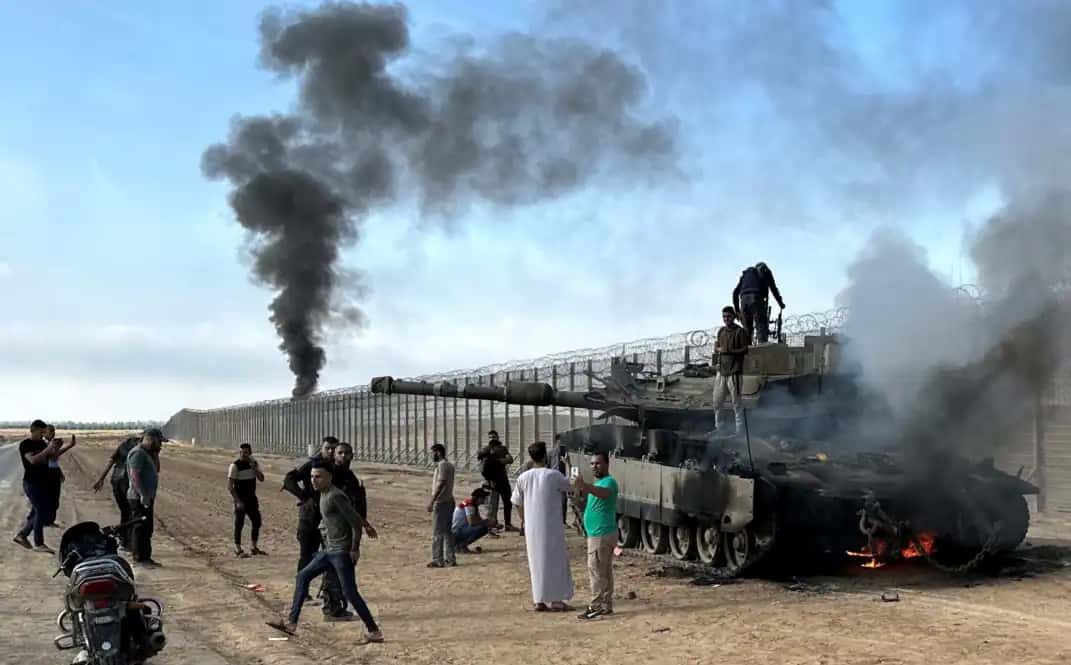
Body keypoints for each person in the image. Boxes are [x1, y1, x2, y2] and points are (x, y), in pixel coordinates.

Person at [268, 461, 383, 643]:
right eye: (312, 477)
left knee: (350, 593)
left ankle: (373, 631)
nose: (314, 480)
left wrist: (354, 548)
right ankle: (291, 623)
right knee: (302, 576)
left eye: (318, 476)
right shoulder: (323, 494)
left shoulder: (336, 496)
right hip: (329, 551)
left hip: (341, 553)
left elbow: (354, 522)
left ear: (329, 477)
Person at [282, 437, 347, 619]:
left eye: (334, 449)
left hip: (328, 523)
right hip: (309, 519)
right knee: (307, 555)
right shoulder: (312, 466)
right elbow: (288, 480)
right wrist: (304, 497)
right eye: (328, 448)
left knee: (331, 558)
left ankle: (331, 597)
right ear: (322, 449)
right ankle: (302, 593)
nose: (331, 452)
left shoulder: (336, 471)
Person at [511, 443, 574, 612]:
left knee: (536, 562)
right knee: (555, 562)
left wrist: (525, 520)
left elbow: (516, 502)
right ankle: (556, 601)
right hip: (552, 527)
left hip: (532, 527)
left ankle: (538, 599)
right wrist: (569, 465)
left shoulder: (523, 477)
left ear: (531, 457)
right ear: (545, 456)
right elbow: (572, 485)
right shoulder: (553, 475)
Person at [320, 441, 365, 620]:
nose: (344, 456)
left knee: (341, 568)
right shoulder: (330, 475)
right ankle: (332, 608)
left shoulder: (350, 477)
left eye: (347, 453)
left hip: (346, 530)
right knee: (334, 569)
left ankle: (336, 604)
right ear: (334, 455)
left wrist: (364, 524)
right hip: (334, 531)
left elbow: (357, 504)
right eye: (340, 453)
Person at [573, 452, 619, 619]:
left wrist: (585, 486)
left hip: (601, 535)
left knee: (597, 572)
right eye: (592, 464)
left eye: (598, 463)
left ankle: (596, 606)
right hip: (599, 533)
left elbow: (602, 493)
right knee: (604, 571)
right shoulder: (598, 482)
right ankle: (606, 604)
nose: (594, 467)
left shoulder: (609, 482)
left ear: (607, 464)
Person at [92, 434, 147, 550]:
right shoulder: (140, 450)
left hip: (116, 480)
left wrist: (101, 478)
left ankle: (124, 541)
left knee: (125, 512)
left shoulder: (124, 445)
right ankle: (130, 542)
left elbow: (111, 461)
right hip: (126, 482)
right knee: (132, 512)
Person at [13, 420, 61, 552]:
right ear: (33, 430)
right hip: (31, 483)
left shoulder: (42, 443)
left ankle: (22, 535)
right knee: (40, 510)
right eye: (41, 432)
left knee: (37, 510)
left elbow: (52, 458)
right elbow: (33, 460)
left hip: (43, 483)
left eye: (44, 432)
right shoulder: (25, 444)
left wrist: (55, 447)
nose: (43, 435)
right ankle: (39, 543)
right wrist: (47, 448)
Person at [127, 428, 165, 567]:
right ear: (151, 438)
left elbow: (157, 469)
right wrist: (142, 494)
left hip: (146, 497)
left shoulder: (147, 454)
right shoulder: (138, 453)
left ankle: (145, 557)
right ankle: (139, 558)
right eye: (159, 441)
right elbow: (134, 475)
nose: (161, 445)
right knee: (140, 527)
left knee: (147, 528)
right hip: (138, 498)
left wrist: (156, 453)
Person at [712, 306, 749, 435]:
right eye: (724, 317)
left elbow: (745, 349)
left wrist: (730, 350)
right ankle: (719, 428)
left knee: (736, 403)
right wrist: (718, 349)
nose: (726, 319)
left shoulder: (740, 332)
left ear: (733, 317)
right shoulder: (721, 331)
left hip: (734, 372)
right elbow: (716, 346)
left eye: (728, 316)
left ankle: (739, 431)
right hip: (722, 371)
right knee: (717, 402)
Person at [733, 262, 785, 344]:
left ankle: (747, 353)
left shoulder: (746, 274)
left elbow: (735, 293)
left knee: (747, 332)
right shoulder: (765, 271)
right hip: (756, 299)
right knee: (761, 327)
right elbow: (773, 288)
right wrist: (781, 303)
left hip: (743, 302)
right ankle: (762, 351)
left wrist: (737, 311)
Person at [229, 443, 266, 557]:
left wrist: (254, 468)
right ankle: (238, 548)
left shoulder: (254, 463)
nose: (243, 454)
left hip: (251, 498)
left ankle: (253, 547)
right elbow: (230, 486)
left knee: (257, 522)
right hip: (240, 498)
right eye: (241, 452)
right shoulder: (235, 466)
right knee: (239, 523)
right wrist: (238, 501)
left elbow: (261, 479)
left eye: (245, 452)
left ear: (250, 453)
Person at [479, 431, 515, 532]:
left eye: (493, 437)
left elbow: (510, 459)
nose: (492, 439)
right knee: (493, 505)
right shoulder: (496, 449)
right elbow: (509, 459)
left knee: (505, 503)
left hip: (498, 480)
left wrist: (496, 461)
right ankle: (495, 525)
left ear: (497, 437)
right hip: (495, 480)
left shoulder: (500, 448)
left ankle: (505, 524)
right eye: (490, 437)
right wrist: (500, 461)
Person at [427, 443, 456, 568]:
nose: (431, 455)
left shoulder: (443, 465)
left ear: (438, 452)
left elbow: (441, 483)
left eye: (432, 453)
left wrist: (432, 501)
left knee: (438, 532)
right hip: (448, 500)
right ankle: (450, 558)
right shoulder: (449, 465)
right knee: (447, 531)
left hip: (442, 502)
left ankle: (438, 559)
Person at [42, 425, 76, 528]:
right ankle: (43, 521)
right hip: (47, 475)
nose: (53, 433)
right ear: (44, 433)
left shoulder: (50, 445)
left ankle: (48, 521)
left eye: (53, 431)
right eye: (51, 431)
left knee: (54, 500)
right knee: (48, 500)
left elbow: (55, 459)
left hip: (53, 474)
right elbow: (52, 458)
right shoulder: (43, 445)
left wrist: (70, 445)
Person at [452, 487, 492, 553]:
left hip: (457, 531)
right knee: (483, 528)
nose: (485, 499)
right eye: (484, 498)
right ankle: (461, 546)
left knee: (484, 527)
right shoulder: (469, 505)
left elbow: (479, 520)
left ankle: (460, 545)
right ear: (479, 498)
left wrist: (492, 525)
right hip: (456, 532)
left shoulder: (473, 505)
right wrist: (486, 522)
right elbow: (472, 522)